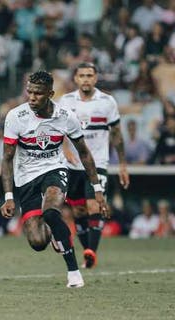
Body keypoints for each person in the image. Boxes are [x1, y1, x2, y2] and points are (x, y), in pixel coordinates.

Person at [0, 70, 108, 288]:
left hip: (54, 169)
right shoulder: (15, 117)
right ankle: (55, 233)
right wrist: (9, 196)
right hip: (26, 176)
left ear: (50, 93)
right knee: (38, 242)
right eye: (29, 92)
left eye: (38, 93)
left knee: (50, 211)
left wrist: (96, 187)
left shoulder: (66, 117)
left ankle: (74, 272)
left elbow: (84, 153)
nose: (31, 97)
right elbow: (7, 159)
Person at [59, 62, 129, 269]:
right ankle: (88, 253)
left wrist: (123, 164)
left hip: (98, 163)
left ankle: (91, 251)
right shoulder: (66, 100)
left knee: (94, 205)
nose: (86, 79)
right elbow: (58, 128)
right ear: (76, 79)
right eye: (82, 75)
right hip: (72, 165)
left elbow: (116, 134)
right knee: (78, 211)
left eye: (90, 75)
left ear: (96, 78)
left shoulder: (107, 102)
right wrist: (65, 148)